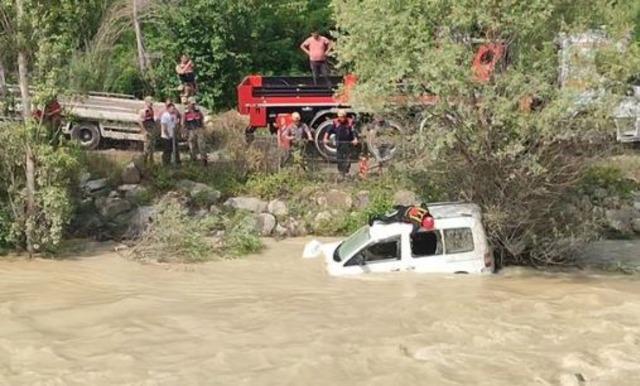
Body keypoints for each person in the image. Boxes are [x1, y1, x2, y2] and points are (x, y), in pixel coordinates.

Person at [323, 109, 358, 179]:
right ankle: (341, 172)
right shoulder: (335, 122)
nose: (342, 118)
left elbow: (353, 131)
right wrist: (325, 138)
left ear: (345, 116)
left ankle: (346, 172)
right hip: (339, 143)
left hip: (348, 143)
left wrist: (355, 139)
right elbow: (328, 131)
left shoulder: (350, 122)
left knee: (347, 158)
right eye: (340, 117)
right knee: (339, 158)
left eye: (343, 117)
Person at [369, 204, 435, 233]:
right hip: (401, 215)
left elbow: (423, 204)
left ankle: (395, 207)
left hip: (407, 208)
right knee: (387, 220)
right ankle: (374, 217)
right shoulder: (417, 223)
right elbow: (413, 232)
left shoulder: (426, 211)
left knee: (397, 208)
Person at [183, 97, 207, 165]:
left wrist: (203, 128)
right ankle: (193, 159)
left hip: (199, 129)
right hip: (191, 130)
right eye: (191, 104)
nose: (193, 105)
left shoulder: (198, 111)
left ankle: (204, 159)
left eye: (194, 104)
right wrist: (185, 131)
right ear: (188, 104)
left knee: (202, 145)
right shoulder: (186, 112)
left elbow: (201, 119)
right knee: (191, 146)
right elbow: (184, 123)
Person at [138, 97, 157, 165]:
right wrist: (144, 131)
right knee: (147, 147)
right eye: (150, 102)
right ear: (146, 102)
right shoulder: (143, 111)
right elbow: (140, 122)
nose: (151, 104)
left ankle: (151, 161)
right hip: (147, 130)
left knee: (152, 147)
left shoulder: (151, 110)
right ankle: (144, 162)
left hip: (152, 130)